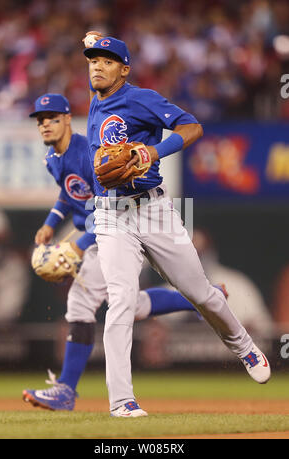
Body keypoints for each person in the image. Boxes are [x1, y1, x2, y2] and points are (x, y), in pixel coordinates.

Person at [84, 35, 271, 418]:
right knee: (120, 300)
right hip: (108, 213)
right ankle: (122, 402)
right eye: (92, 60)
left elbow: (193, 128)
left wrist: (153, 151)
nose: (97, 66)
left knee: (200, 292)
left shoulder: (141, 99)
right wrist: (91, 39)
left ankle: (244, 345)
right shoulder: (96, 97)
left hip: (154, 210)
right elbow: (92, 43)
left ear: (125, 69)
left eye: (106, 61)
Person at [22, 93, 224, 411]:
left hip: (113, 228)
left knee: (80, 301)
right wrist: (51, 222)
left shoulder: (85, 152)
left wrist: (80, 243)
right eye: (39, 119)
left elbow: (107, 204)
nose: (45, 124)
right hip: (93, 231)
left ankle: (65, 390)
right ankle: (203, 297)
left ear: (66, 119)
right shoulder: (53, 158)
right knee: (129, 305)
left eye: (51, 118)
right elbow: (67, 194)